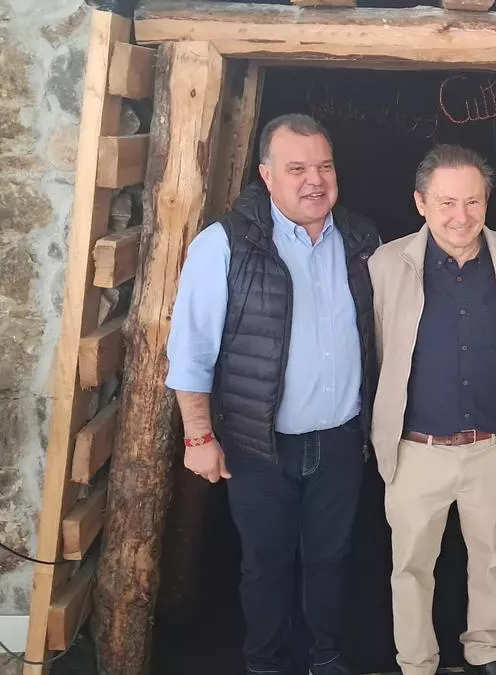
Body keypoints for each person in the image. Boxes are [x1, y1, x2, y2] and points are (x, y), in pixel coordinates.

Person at [166, 113, 380, 675]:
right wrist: (199, 437)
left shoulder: (361, 239)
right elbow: (191, 350)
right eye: (297, 169)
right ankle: (266, 664)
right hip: (259, 446)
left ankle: (327, 659)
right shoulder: (224, 244)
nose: (315, 181)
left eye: (324, 167)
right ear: (266, 175)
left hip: (340, 439)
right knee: (265, 565)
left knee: (331, 560)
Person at [368, 144, 496, 675]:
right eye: (446, 203)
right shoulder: (385, 265)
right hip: (415, 449)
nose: (461, 216)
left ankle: (485, 649)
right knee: (410, 566)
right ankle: (416, 661)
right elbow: (373, 351)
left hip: (495, 446)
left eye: (472, 201)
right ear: (420, 203)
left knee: (492, 558)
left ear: (487, 201)